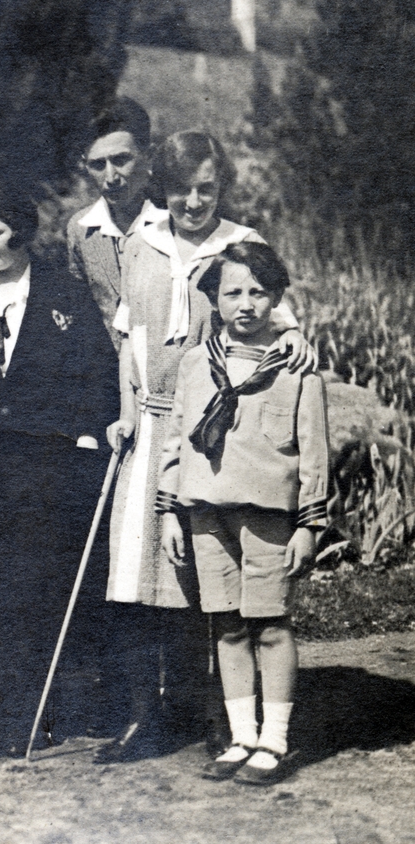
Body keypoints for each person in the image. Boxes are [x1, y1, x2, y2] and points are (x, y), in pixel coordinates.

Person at [102, 130, 312, 760]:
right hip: (148, 427)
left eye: (206, 189)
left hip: (215, 428)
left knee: (206, 576)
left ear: (222, 188)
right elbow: (128, 339)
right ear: (159, 188)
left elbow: (280, 312)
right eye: (179, 190)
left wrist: (297, 334)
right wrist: (123, 410)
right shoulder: (139, 244)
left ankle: (222, 716)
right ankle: (145, 714)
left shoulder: (241, 245)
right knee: (138, 575)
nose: (192, 202)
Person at [0, 184, 117, 754]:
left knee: (42, 589)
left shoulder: (63, 294)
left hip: (49, 469)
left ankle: (43, 709)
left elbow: (98, 376)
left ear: (20, 230)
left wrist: (80, 440)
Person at [158, 241, 327, 785]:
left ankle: (275, 741)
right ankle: (242, 737)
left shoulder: (296, 368)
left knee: (270, 625)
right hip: (206, 512)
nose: (246, 304)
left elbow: (314, 452)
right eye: (233, 292)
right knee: (226, 627)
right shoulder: (194, 365)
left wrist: (309, 523)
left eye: (259, 292)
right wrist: (168, 512)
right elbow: (175, 442)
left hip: (269, 516)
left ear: (277, 298)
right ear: (214, 299)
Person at [65, 97, 165, 347]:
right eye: (98, 165)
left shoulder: (175, 221)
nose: (110, 177)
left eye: (121, 160)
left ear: (148, 156)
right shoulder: (80, 229)